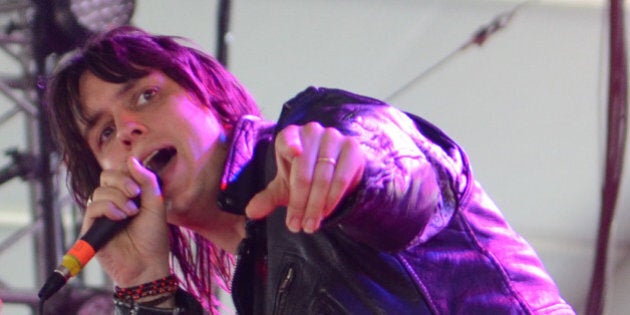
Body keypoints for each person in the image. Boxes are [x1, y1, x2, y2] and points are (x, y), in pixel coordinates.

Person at [44, 26, 575, 314]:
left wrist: (358, 174)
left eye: (146, 94)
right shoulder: (256, 288)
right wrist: (144, 286)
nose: (129, 125)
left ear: (211, 101)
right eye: (104, 133)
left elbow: (401, 173)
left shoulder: (314, 132)